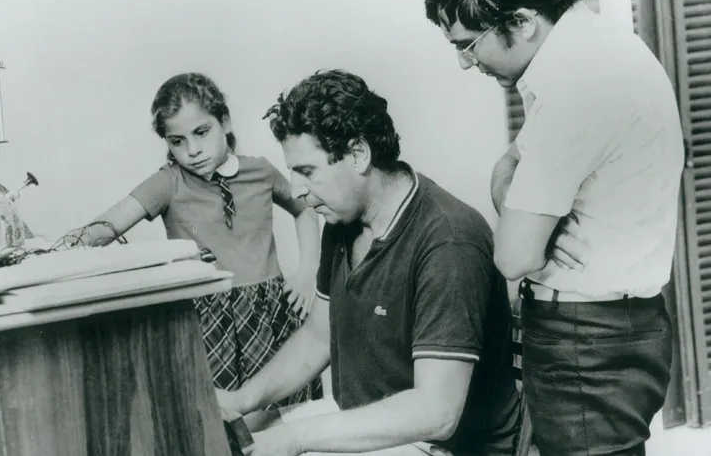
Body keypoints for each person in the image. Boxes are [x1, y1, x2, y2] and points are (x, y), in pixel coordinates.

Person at [425, 0, 684, 456]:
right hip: (599, 330)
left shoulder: (578, 84)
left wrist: (516, 201)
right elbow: (510, 162)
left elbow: (514, 255)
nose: (465, 64)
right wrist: (508, 187)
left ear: (521, 21)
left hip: (588, 341)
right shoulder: (584, 51)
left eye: (468, 44)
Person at [217, 69, 520, 456]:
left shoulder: (448, 241)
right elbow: (317, 335)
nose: (296, 190)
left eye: (307, 171)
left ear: (358, 154)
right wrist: (241, 400)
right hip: (375, 424)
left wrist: (297, 438)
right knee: (247, 434)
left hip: (445, 445)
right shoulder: (341, 220)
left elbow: (436, 412)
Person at [79, 72, 323, 406]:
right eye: (177, 141)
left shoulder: (260, 171)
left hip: (269, 315)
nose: (193, 150)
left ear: (224, 121)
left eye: (202, 132)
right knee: (211, 418)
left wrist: (308, 269)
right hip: (203, 319)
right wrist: (56, 251)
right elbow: (103, 229)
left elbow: (306, 210)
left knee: (280, 412)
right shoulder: (167, 183)